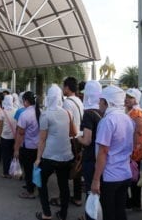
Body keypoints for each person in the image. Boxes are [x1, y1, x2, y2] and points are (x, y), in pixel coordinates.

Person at [91, 85, 134, 220]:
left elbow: (103, 152)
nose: (99, 104)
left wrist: (96, 179)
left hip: (110, 176)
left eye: (101, 101)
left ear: (107, 102)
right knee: (120, 211)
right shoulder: (128, 119)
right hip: (125, 173)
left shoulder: (107, 121)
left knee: (108, 213)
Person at [34, 84, 73, 220]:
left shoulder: (45, 115)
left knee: (40, 182)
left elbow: (42, 140)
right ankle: (63, 214)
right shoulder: (67, 113)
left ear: (49, 98)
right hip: (66, 156)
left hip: (49, 157)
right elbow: (70, 133)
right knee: (64, 186)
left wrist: (38, 158)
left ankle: (46, 214)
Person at [76, 80, 102, 220]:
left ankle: (90, 216)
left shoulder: (88, 114)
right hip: (101, 158)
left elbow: (87, 140)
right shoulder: (103, 111)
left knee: (90, 190)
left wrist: (76, 137)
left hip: (90, 157)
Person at [124, 88, 142, 212]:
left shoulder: (138, 113)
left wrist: (131, 152)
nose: (127, 99)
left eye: (131, 97)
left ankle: (134, 204)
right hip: (131, 151)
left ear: (136, 99)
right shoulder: (131, 111)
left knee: (133, 179)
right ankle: (132, 203)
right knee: (132, 178)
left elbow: (138, 135)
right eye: (127, 96)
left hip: (134, 153)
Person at [14, 91, 40, 199]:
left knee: (28, 170)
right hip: (39, 147)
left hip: (28, 147)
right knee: (36, 168)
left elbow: (20, 134)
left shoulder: (24, 114)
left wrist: (16, 149)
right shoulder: (40, 112)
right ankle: (35, 186)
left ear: (26, 101)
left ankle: (30, 192)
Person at [62, 77, 84, 206]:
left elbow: (67, 122)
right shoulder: (78, 101)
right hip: (79, 138)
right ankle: (77, 197)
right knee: (77, 168)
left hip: (72, 139)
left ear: (67, 87)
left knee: (67, 168)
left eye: (63, 86)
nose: (62, 89)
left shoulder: (68, 102)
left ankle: (65, 197)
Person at [0, 94, 17, 178]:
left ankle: (6, 173)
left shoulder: (2, 112)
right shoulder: (16, 110)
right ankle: (14, 171)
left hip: (5, 137)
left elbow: (0, 126)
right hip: (15, 137)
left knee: (6, 156)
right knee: (13, 155)